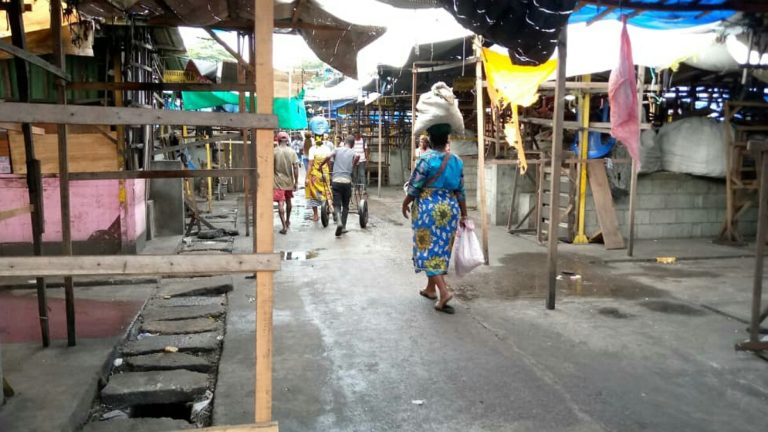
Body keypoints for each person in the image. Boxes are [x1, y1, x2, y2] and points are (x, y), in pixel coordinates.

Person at [401, 123, 467, 314]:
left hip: (428, 209)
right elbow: (460, 191)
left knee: (426, 249)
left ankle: (444, 292)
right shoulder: (457, 161)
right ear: (447, 140)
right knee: (440, 248)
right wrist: (464, 214)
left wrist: (405, 203)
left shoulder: (426, 160)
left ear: (429, 141)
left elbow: (414, 187)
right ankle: (430, 289)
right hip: (450, 209)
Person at [321, 136, 360, 237]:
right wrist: (353, 165)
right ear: (352, 144)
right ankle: (343, 227)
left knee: (337, 205)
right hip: (347, 181)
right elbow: (358, 156)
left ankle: (338, 221)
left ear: (344, 142)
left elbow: (328, 156)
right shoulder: (352, 152)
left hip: (336, 181)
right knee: (346, 206)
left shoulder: (337, 149)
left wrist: (321, 165)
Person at [274, 132, 300, 234]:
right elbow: (296, 168)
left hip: (277, 181)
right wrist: (296, 182)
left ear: (278, 140)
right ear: (287, 140)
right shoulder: (292, 152)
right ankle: (288, 220)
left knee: (281, 202)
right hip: (289, 181)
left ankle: (284, 226)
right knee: (288, 201)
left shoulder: (274, 152)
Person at [305, 136, 332, 222]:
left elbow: (310, 164)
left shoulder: (312, 149)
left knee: (313, 194)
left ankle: (316, 215)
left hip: (315, 176)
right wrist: (330, 174)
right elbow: (329, 163)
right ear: (323, 139)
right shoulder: (327, 149)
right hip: (325, 174)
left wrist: (306, 177)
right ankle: (327, 209)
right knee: (326, 191)